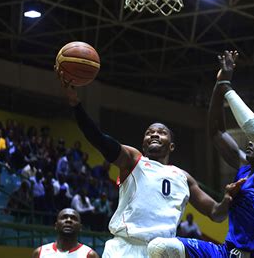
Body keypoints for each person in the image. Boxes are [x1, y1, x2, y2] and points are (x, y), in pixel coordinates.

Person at [56, 67, 243, 258]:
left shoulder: (183, 177)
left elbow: (216, 214)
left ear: (171, 146)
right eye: (149, 132)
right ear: (143, 143)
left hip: (162, 251)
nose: (154, 133)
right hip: (125, 248)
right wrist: (75, 104)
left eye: (161, 132)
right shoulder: (133, 160)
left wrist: (227, 199)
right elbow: (99, 139)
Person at [147, 51, 254, 258]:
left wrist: (228, 90)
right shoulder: (244, 165)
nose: (249, 142)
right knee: (160, 248)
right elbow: (216, 132)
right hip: (228, 253)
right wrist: (220, 83)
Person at [32, 208, 99, 258]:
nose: (68, 220)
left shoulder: (90, 255)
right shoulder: (39, 253)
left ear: (80, 227)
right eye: (64, 217)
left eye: (73, 218)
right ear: (56, 225)